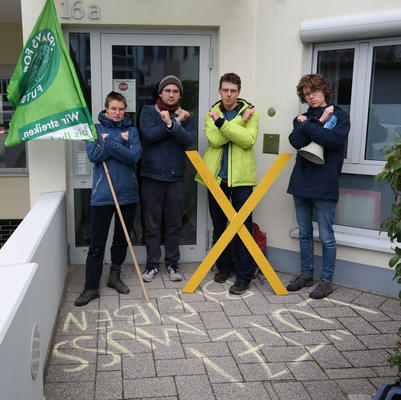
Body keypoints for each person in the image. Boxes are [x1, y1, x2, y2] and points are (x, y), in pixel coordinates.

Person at [286, 74, 350, 299]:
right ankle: (306, 275)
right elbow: (295, 141)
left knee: (326, 236)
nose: (310, 96)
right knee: (304, 233)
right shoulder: (302, 117)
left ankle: (326, 280)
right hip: (302, 181)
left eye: (313, 91)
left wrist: (312, 125)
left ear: (324, 90)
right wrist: (319, 121)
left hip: (325, 183)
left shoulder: (340, 116)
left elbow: (332, 141)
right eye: (305, 93)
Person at [75, 91, 142, 307]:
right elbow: (93, 156)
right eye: (113, 108)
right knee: (97, 244)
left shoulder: (131, 130)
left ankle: (114, 277)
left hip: (127, 195)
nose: (117, 113)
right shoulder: (94, 130)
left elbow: (134, 157)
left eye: (121, 109)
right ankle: (91, 287)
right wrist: (119, 143)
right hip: (103, 196)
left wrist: (109, 143)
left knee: (121, 240)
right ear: (106, 109)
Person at [196, 72, 259, 295]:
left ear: (238, 92)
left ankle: (244, 277)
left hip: (242, 180)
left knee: (243, 229)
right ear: (220, 90)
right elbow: (215, 140)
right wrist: (238, 123)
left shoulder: (253, 113)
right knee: (220, 227)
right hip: (217, 179)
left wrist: (224, 124)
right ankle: (223, 268)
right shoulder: (211, 113)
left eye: (233, 91)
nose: (229, 94)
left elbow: (247, 141)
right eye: (225, 90)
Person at [139, 75, 196, 282]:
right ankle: (152, 265)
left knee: (174, 224)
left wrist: (174, 125)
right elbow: (150, 135)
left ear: (180, 95)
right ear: (160, 93)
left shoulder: (187, 116)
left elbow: (188, 140)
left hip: (175, 178)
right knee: (152, 224)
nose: (171, 95)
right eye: (167, 91)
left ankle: (172, 265)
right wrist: (173, 124)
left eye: (175, 91)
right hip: (151, 176)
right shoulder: (147, 112)